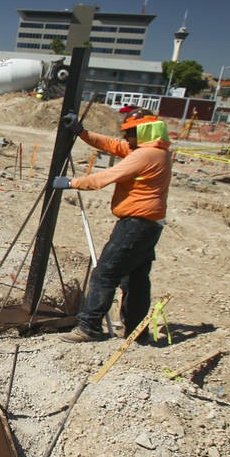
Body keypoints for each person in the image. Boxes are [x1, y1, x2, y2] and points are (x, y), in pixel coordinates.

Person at [52, 110, 172, 343]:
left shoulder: (146, 155)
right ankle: (137, 332)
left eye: (129, 133)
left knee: (105, 274)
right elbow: (112, 145)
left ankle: (90, 327)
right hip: (150, 226)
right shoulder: (156, 152)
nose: (126, 137)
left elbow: (103, 178)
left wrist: (70, 182)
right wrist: (82, 133)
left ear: (143, 132)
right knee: (136, 281)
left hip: (135, 226)